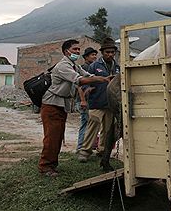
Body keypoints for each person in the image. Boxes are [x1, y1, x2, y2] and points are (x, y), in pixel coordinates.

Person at [38, 39, 110, 177]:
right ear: (66, 51)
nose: (78, 52)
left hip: (60, 105)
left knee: (58, 136)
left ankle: (52, 165)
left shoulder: (74, 65)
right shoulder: (63, 66)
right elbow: (79, 80)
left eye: (78, 49)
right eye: (75, 49)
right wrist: (101, 79)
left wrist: (105, 78)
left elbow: (87, 75)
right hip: (52, 104)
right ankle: (45, 166)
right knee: (52, 137)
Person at [78, 37, 120, 167]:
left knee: (108, 130)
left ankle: (102, 151)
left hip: (111, 104)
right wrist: (86, 90)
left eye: (112, 52)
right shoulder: (94, 66)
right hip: (96, 102)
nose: (110, 54)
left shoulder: (117, 67)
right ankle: (85, 152)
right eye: (107, 52)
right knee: (93, 127)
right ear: (102, 52)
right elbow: (84, 81)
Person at [75, 47, 98, 152]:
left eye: (95, 55)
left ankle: (89, 146)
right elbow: (79, 85)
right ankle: (80, 147)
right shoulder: (84, 67)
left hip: (91, 100)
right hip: (84, 100)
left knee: (91, 124)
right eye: (92, 55)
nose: (94, 57)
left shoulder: (92, 67)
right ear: (86, 57)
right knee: (85, 123)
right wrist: (83, 100)